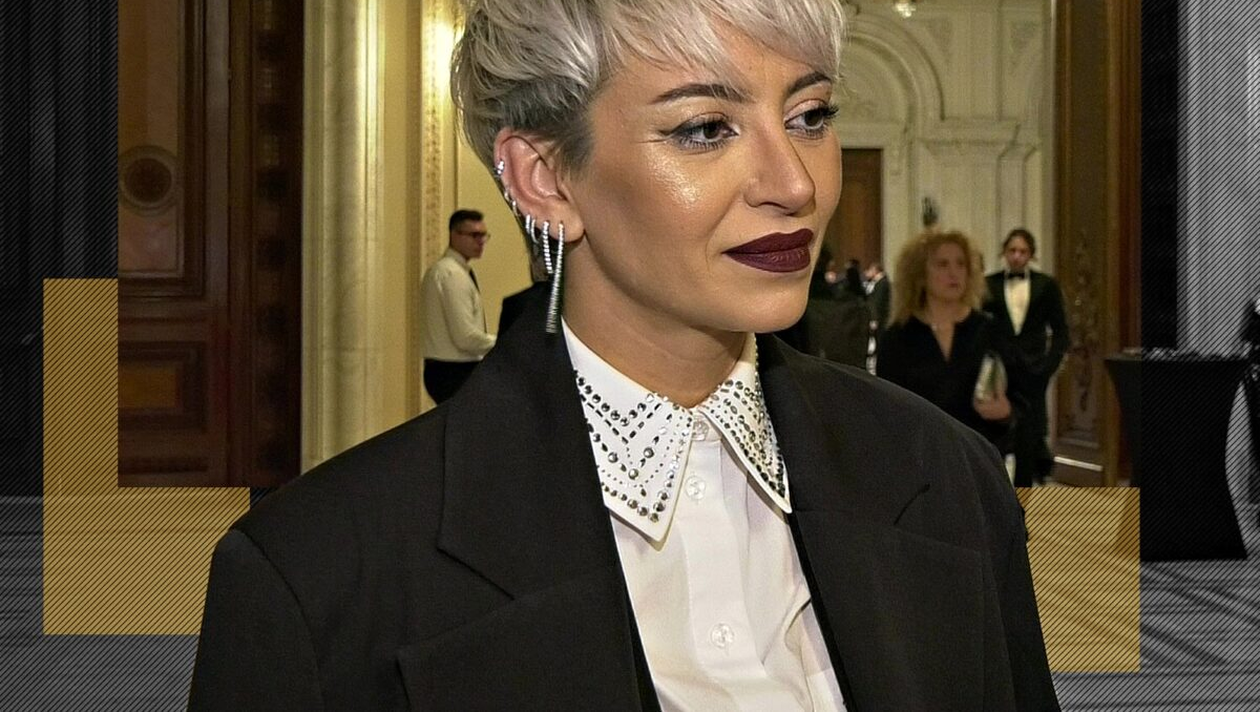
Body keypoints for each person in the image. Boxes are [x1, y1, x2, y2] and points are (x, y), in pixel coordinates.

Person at [189, 1, 1057, 710]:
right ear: (545, 178)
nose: (795, 182)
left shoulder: (948, 479)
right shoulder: (319, 575)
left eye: (810, 116)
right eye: (706, 128)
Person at [877, 231, 1022, 453]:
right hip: (921, 457)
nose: (954, 273)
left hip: (980, 454)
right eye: (942, 264)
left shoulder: (989, 330)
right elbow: (887, 411)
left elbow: (1019, 395)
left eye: (960, 264)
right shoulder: (898, 337)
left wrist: (1006, 411)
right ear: (920, 274)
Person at [984, 228, 1069, 487]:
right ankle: (995, 494)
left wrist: (1047, 368)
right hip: (999, 372)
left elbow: (1061, 332)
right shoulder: (988, 285)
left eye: (1023, 251)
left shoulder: (1046, 285)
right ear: (1004, 253)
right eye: (1012, 251)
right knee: (994, 436)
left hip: (1034, 373)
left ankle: (1023, 497)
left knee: (1028, 440)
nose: (1017, 256)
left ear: (1031, 255)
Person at [421, 209, 496, 403]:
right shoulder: (451, 274)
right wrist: (504, 343)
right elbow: (465, 338)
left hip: (450, 370)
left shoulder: (453, 271)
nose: (481, 242)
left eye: (483, 236)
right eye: (474, 235)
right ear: (454, 235)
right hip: (454, 372)